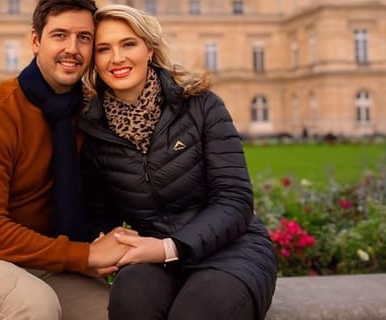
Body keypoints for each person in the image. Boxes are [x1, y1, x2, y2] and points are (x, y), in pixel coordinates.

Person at [0, 1, 133, 319]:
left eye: (84, 38)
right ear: (35, 41)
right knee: (33, 305)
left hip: (33, 251)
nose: (72, 49)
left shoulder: (88, 112)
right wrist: (84, 255)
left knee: (113, 311)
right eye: (60, 35)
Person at [79, 5, 277, 319]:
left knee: (198, 311)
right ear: (95, 60)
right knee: (130, 302)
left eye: (128, 44)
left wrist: (169, 247)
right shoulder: (94, 130)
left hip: (231, 250)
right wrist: (104, 240)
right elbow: (100, 216)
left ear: (149, 50)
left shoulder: (201, 106)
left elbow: (236, 201)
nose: (116, 58)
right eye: (104, 49)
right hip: (156, 258)